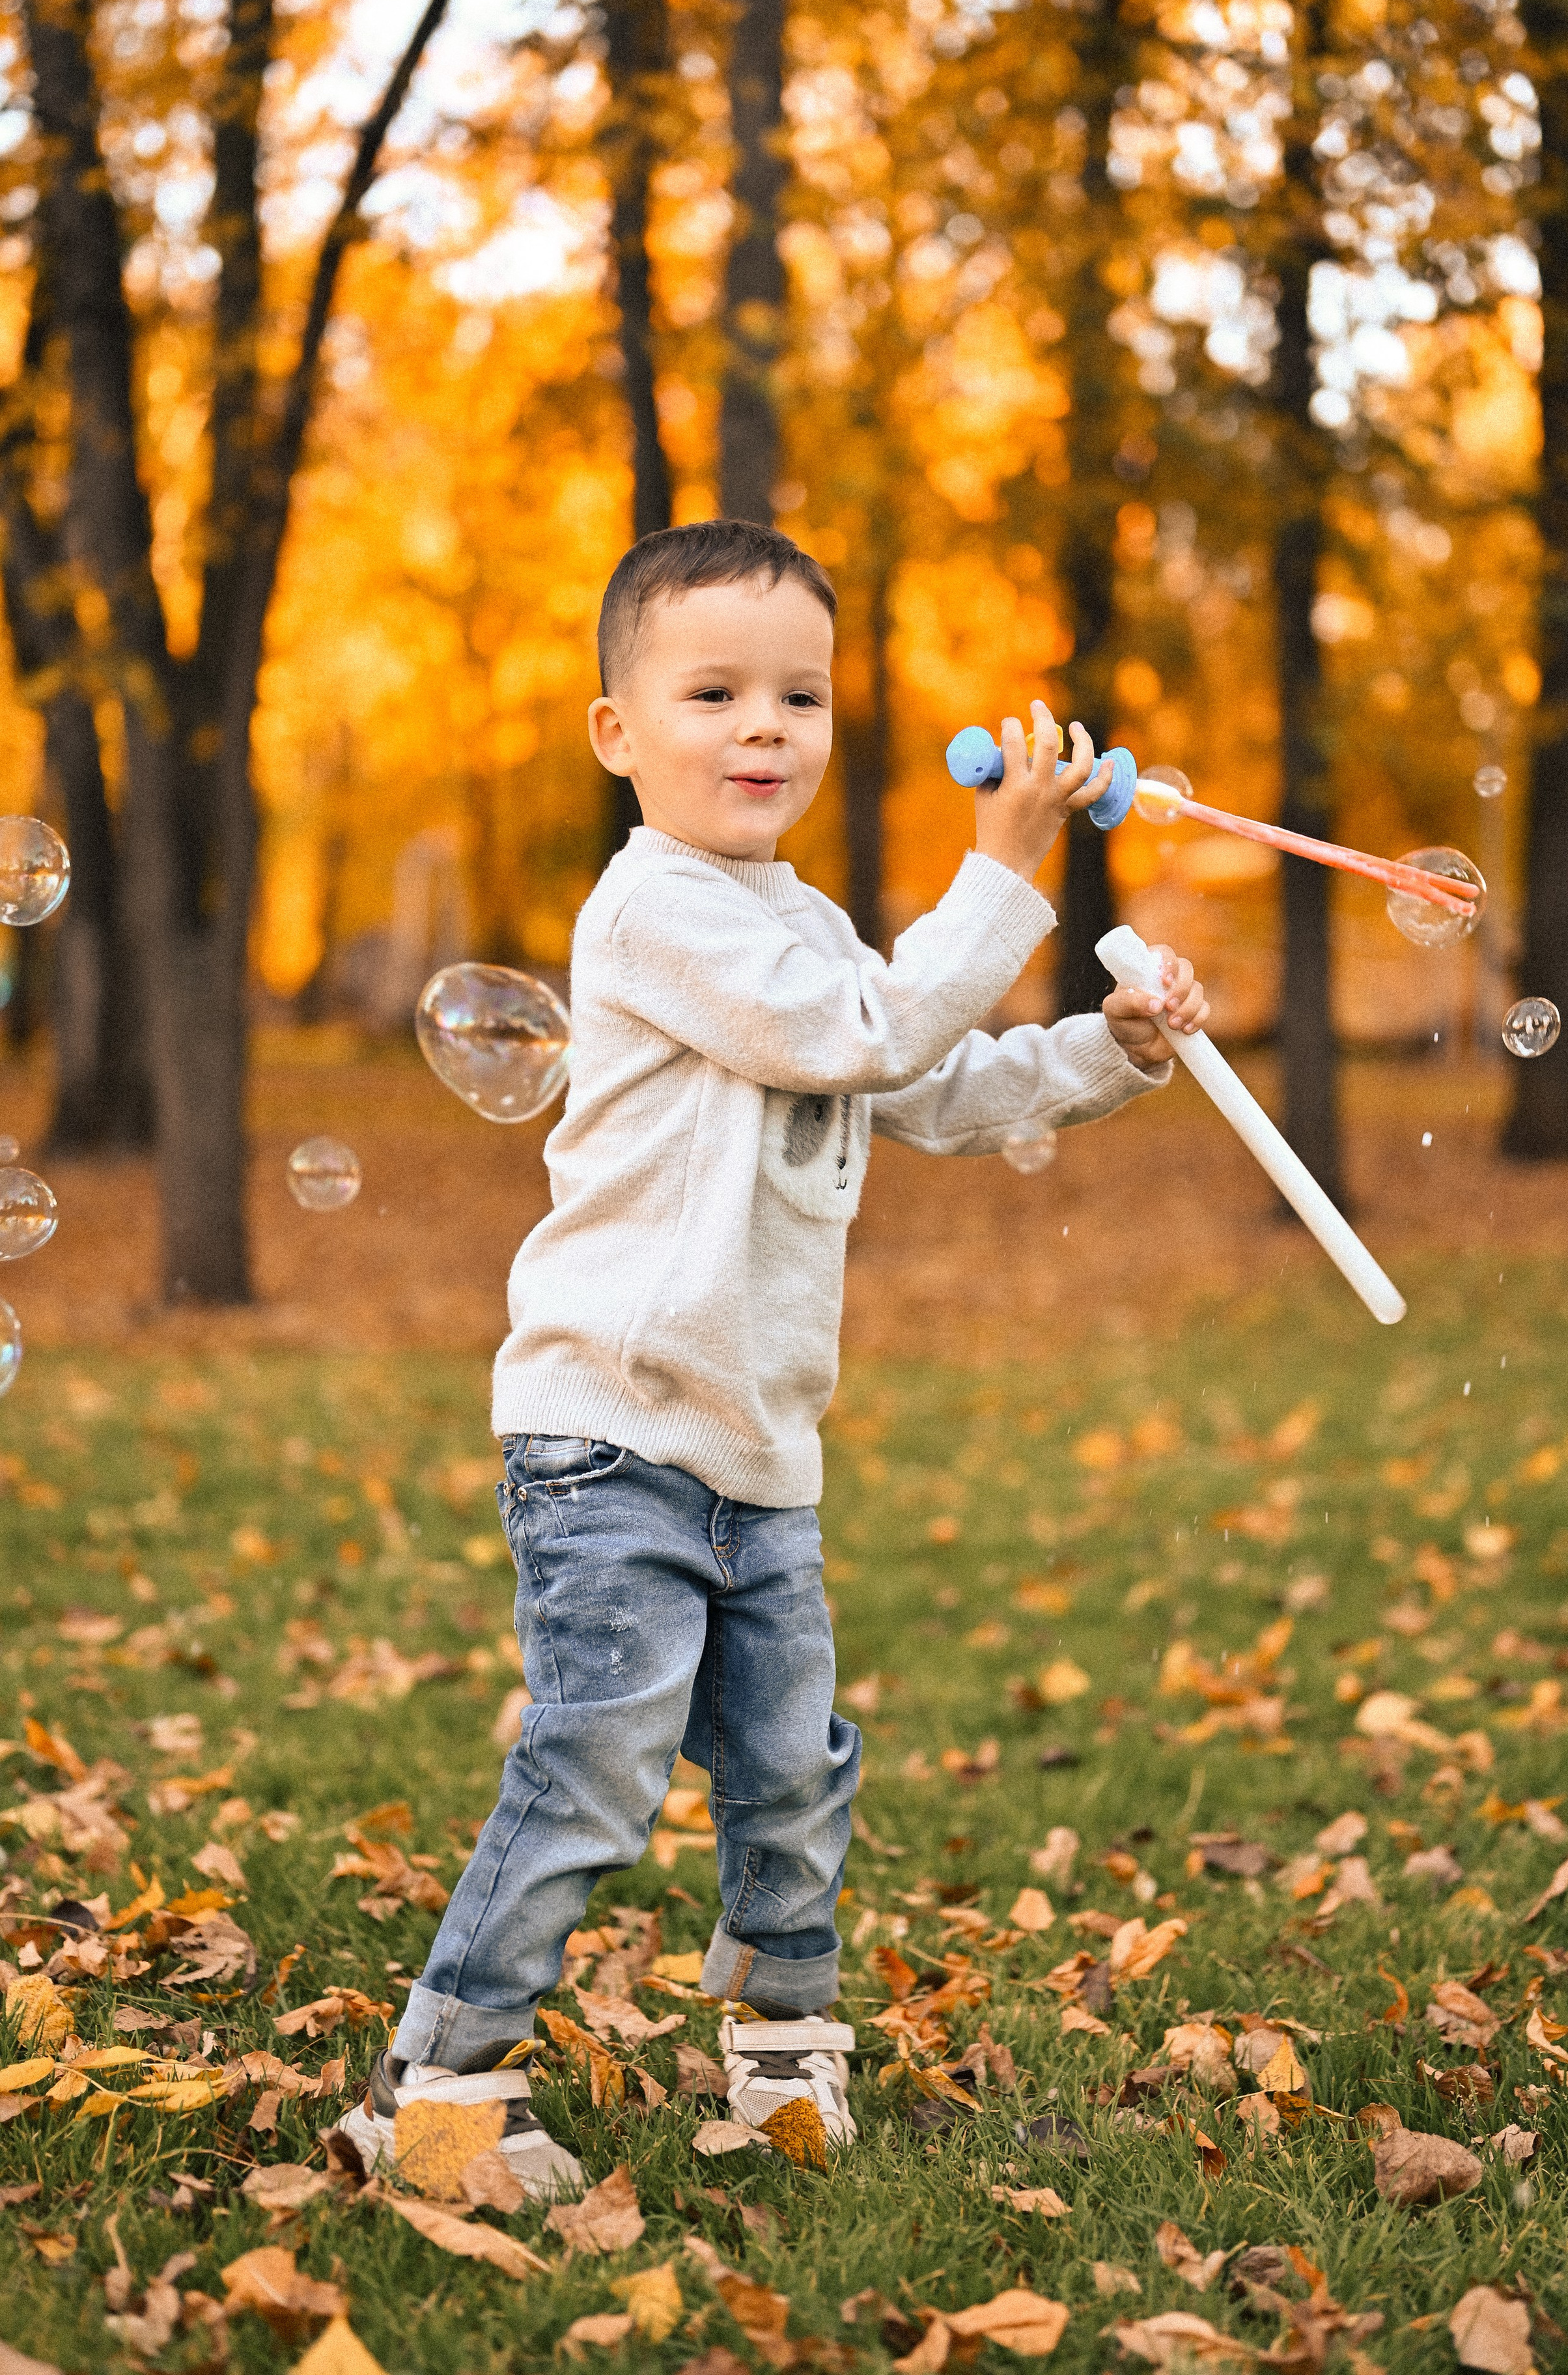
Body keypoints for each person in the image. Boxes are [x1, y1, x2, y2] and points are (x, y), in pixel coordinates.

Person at [339, 519, 1207, 2192]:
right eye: (714, 690)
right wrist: (1012, 867)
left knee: (792, 1773)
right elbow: (864, 1031)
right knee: (596, 1762)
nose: (762, 728)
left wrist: (1115, 1045)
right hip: (609, 1434)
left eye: (797, 696)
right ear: (619, 732)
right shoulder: (651, 912)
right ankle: (437, 2089)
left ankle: (781, 2052)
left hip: (756, 1447)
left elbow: (923, 1082)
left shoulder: (799, 922)